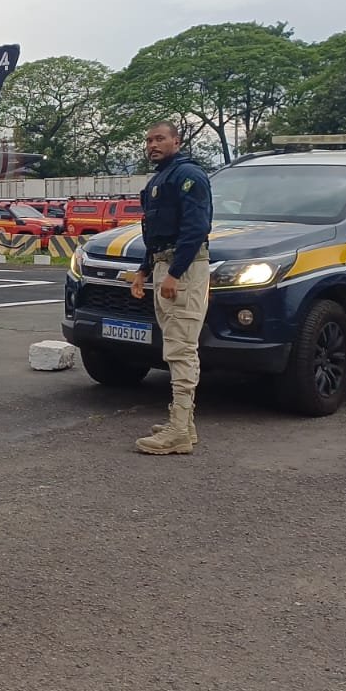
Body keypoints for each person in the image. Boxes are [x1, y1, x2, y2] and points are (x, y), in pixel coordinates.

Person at [129, 121, 212, 455]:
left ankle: (178, 430)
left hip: (185, 268)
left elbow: (195, 228)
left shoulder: (189, 176)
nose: (152, 144)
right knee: (174, 344)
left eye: (160, 139)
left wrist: (174, 274)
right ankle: (183, 426)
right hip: (166, 264)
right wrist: (144, 270)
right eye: (148, 140)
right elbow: (156, 234)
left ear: (177, 141)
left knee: (181, 348)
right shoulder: (160, 178)